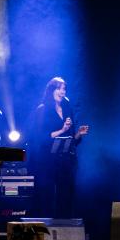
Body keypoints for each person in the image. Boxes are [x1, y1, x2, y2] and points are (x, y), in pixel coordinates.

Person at [27, 77, 88, 218]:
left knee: (66, 197)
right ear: (51, 90)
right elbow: (39, 137)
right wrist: (62, 130)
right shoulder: (42, 110)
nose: (62, 91)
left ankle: (65, 226)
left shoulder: (67, 109)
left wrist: (78, 134)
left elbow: (70, 140)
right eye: (59, 88)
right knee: (47, 198)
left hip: (66, 162)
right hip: (47, 162)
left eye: (64, 89)